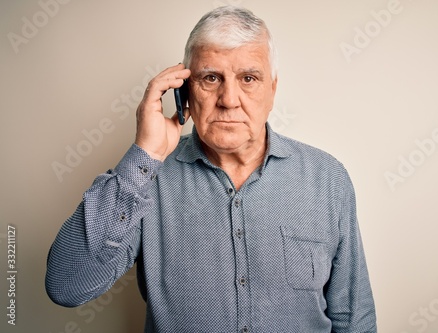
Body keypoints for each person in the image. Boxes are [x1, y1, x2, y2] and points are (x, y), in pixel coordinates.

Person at [46, 6, 377, 333]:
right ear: (185, 92)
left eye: (248, 78)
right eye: (210, 78)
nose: (229, 99)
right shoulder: (148, 180)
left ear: (272, 90)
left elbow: (354, 319)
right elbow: (66, 285)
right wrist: (145, 154)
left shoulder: (327, 179)